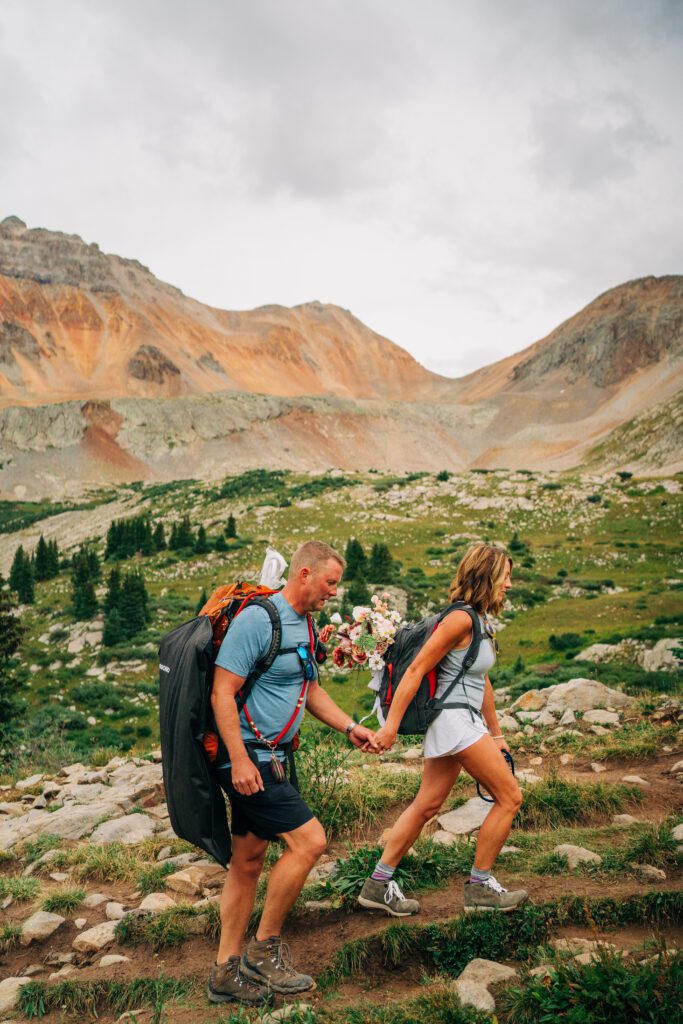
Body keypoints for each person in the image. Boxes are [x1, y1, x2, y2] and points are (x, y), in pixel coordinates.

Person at [207, 540, 379, 1006]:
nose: (333, 594)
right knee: (311, 842)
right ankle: (264, 951)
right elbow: (223, 693)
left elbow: (311, 688)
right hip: (249, 760)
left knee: (248, 860)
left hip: (277, 756)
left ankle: (225, 972)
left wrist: (349, 727)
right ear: (303, 573)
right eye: (329, 583)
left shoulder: (305, 624)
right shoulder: (258, 620)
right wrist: (239, 760)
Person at [358, 543, 528, 917]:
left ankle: (378, 883)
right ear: (486, 574)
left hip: (463, 722)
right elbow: (417, 669)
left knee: (427, 805)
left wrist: (497, 735)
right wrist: (390, 728)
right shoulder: (460, 620)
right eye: (506, 576)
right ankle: (481, 887)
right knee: (510, 797)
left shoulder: (481, 621)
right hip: (455, 721)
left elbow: (481, 682)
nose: (510, 585)